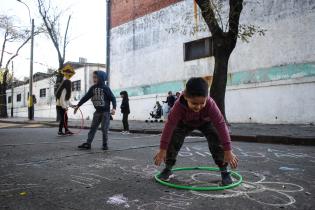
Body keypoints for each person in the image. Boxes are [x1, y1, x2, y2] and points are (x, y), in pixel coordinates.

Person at [154, 77, 238, 186]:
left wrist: (228, 150)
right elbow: (169, 126)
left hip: (205, 122)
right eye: (194, 103)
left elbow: (221, 125)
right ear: (185, 96)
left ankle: (224, 171)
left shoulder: (210, 104)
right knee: (174, 138)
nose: (198, 107)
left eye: (202, 103)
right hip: (184, 123)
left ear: (207, 98)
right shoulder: (178, 106)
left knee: (216, 138)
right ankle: (168, 169)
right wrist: (162, 149)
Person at [74, 71, 116, 150]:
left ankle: (105, 144)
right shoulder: (93, 88)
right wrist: (78, 105)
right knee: (93, 128)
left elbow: (113, 98)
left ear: (101, 78)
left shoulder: (106, 88)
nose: (94, 79)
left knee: (104, 129)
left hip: (105, 113)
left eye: (96, 77)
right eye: (93, 77)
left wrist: (114, 108)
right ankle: (88, 143)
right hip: (97, 112)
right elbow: (85, 97)